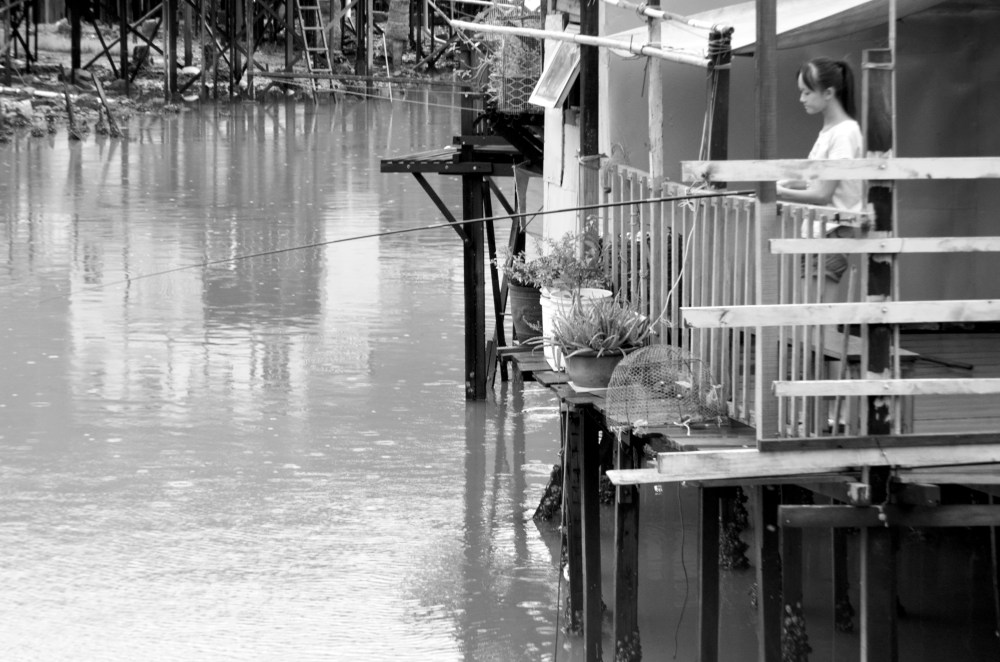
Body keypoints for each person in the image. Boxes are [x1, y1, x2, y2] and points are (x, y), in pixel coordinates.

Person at [777, 56, 866, 304]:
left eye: (807, 92)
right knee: (812, 322)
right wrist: (789, 183)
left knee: (818, 323)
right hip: (820, 233)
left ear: (828, 92)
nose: (801, 98)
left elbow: (822, 194)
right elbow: (817, 184)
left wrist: (780, 191)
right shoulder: (830, 132)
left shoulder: (844, 133)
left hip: (831, 232)